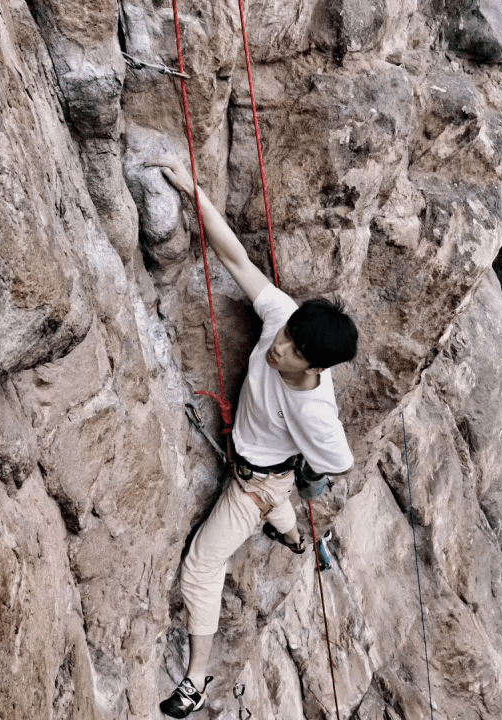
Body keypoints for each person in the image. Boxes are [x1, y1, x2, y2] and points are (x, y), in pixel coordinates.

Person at [148, 157, 358, 717]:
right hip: (265, 472)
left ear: (313, 366)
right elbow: (236, 256)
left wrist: (315, 473)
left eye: (292, 351)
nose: (278, 348)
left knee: (202, 562)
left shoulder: (315, 411)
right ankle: (298, 541)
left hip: (256, 485)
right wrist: (194, 193)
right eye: (286, 335)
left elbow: (341, 460)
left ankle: (195, 680)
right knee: (283, 511)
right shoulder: (281, 319)